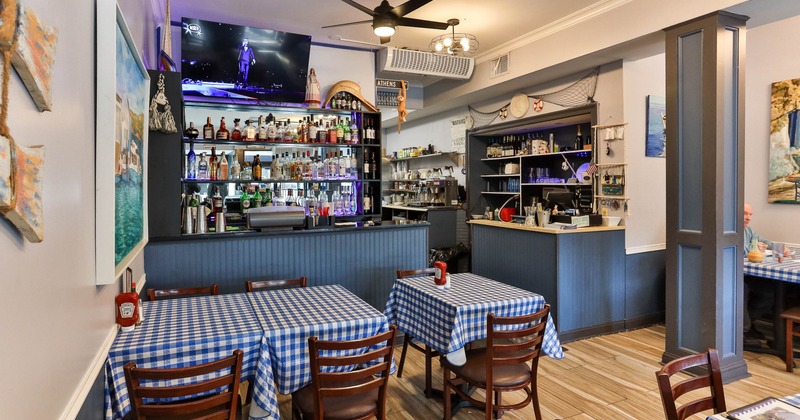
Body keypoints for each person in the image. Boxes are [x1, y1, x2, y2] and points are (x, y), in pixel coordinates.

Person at [742, 202, 790, 341]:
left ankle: (746, 325)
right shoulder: (729, 230)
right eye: (745, 213)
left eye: (750, 214)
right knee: (742, 291)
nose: (748, 217)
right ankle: (743, 330)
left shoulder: (748, 231)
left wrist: (782, 249)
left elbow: (764, 241)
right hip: (733, 276)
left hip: (750, 275)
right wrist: (753, 250)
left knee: (769, 293)